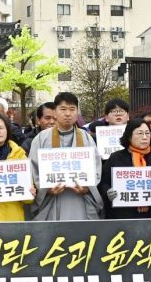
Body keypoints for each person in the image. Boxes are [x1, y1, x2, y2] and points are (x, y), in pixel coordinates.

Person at [29, 92, 103, 221]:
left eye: (72, 109)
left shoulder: (86, 137)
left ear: (77, 112)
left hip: (80, 198)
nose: (68, 114)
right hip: (52, 198)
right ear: (55, 112)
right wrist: (46, 189)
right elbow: (33, 169)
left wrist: (86, 187)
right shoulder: (41, 138)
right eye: (63, 109)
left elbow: (96, 166)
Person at [99, 119, 151, 219]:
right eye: (139, 133)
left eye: (147, 133)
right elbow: (103, 182)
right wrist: (108, 192)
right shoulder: (116, 157)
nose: (144, 137)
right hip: (123, 216)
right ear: (129, 137)